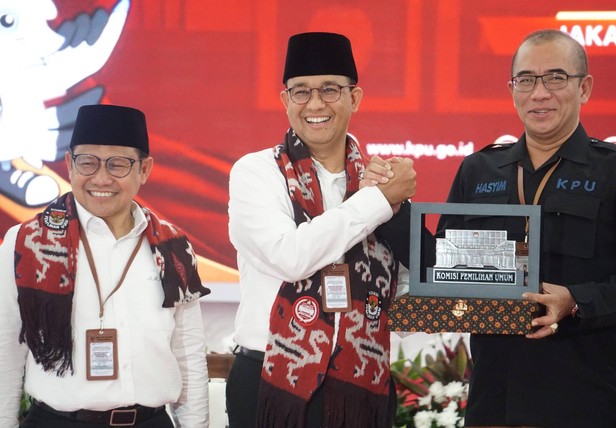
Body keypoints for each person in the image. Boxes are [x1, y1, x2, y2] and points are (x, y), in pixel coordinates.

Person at [368, 28, 616, 427]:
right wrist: (390, 206)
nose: (539, 93)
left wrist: (577, 301)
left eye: (556, 78)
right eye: (526, 80)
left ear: (585, 88)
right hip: (495, 399)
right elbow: (441, 269)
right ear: (512, 89)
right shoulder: (478, 170)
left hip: (586, 397)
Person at [227, 32, 416, 428]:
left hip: (362, 385)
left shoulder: (381, 180)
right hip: (272, 381)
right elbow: (290, 256)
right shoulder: (256, 172)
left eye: (330, 90)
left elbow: (401, 287)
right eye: (301, 91)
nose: (315, 104)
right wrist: (377, 202)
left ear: (355, 98)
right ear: (285, 101)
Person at [0, 104, 211, 427]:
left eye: (118, 165)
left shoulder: (173, 247)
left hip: (149, 422)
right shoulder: (25, 242)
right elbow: (5, 352)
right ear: (70, 165)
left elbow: (188, 354)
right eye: (87, 162)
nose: (101, 178)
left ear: (144, 169)